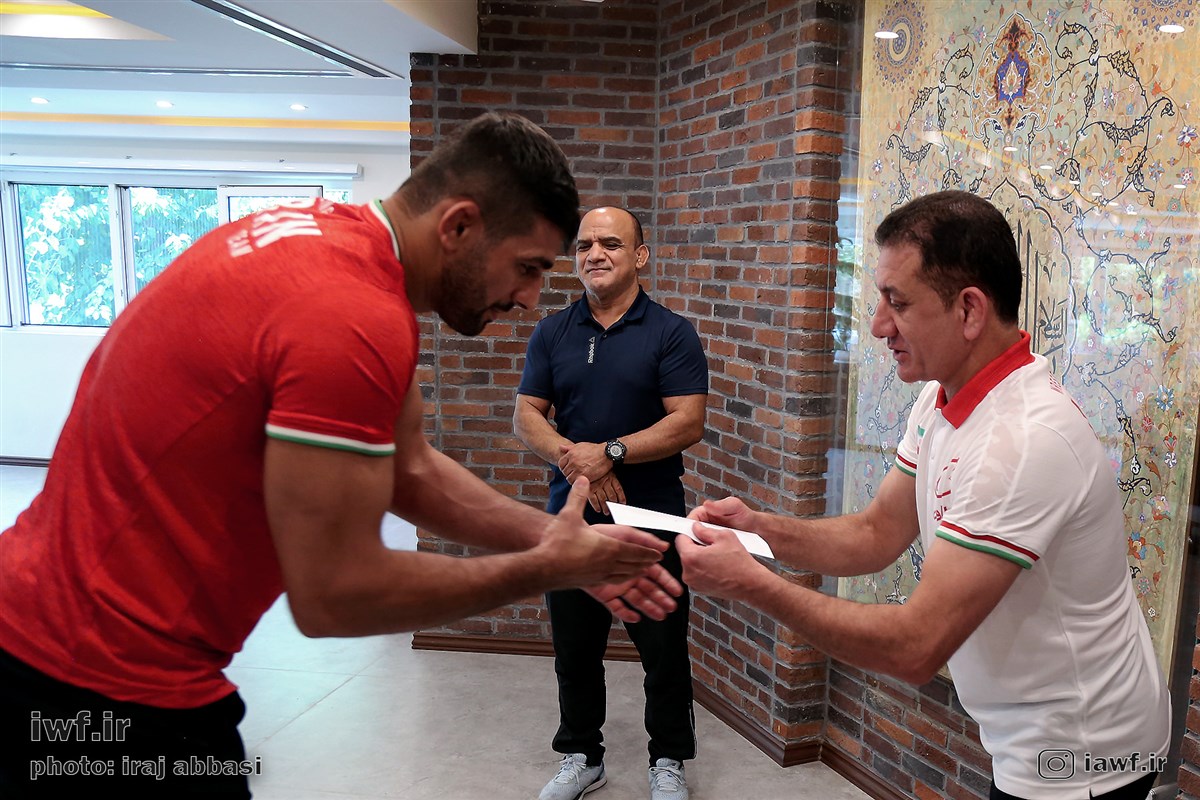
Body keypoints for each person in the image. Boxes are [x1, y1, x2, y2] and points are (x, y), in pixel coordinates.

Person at [0, 113, 684, 799]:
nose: (531, 298)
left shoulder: (330, 245)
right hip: (82, 676)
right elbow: (334, 594)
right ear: (459, 226)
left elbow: (408, 468)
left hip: (64, 638)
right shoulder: (350, 314)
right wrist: (544, 569)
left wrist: (552, 539)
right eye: (527, 267)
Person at [677, 190, 1171, 800]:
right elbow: (876, 533)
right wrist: (758, 530)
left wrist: (751, 583)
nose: (878, 325)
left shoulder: (1022, 441)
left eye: (898, 302)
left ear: (969, 310)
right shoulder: (941, 398)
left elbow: (916, 647)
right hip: (1031, 736)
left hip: (1087, 755)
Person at [515, 206, 708, 800]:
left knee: (662, 647)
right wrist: (580, 462)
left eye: (611, 244)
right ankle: (581, 755)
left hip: (650, 517)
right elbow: (526, 416)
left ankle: (668, 759)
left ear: (640, 256)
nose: (594, 254)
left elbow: (688, 421)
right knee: (574, 646)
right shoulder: (553, 332)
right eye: (584, 245)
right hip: (571, 516)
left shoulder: (671, 332)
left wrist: (612, 453)